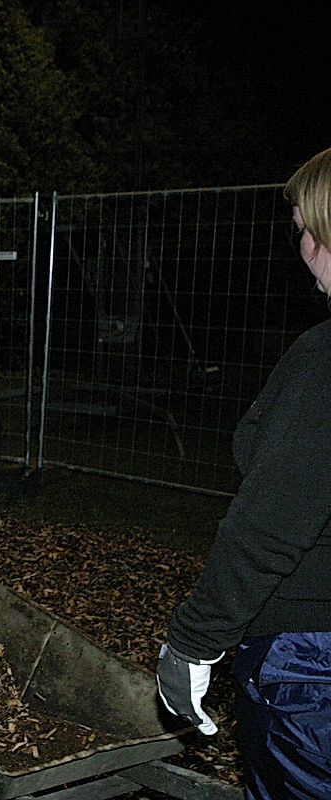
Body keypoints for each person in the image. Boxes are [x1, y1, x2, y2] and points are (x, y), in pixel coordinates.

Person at [156, 149, 331, 800]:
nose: (302, 246)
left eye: (308, 229)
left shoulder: (324, 363)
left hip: (310, 662)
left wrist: (194, 642)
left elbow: (269, 525)